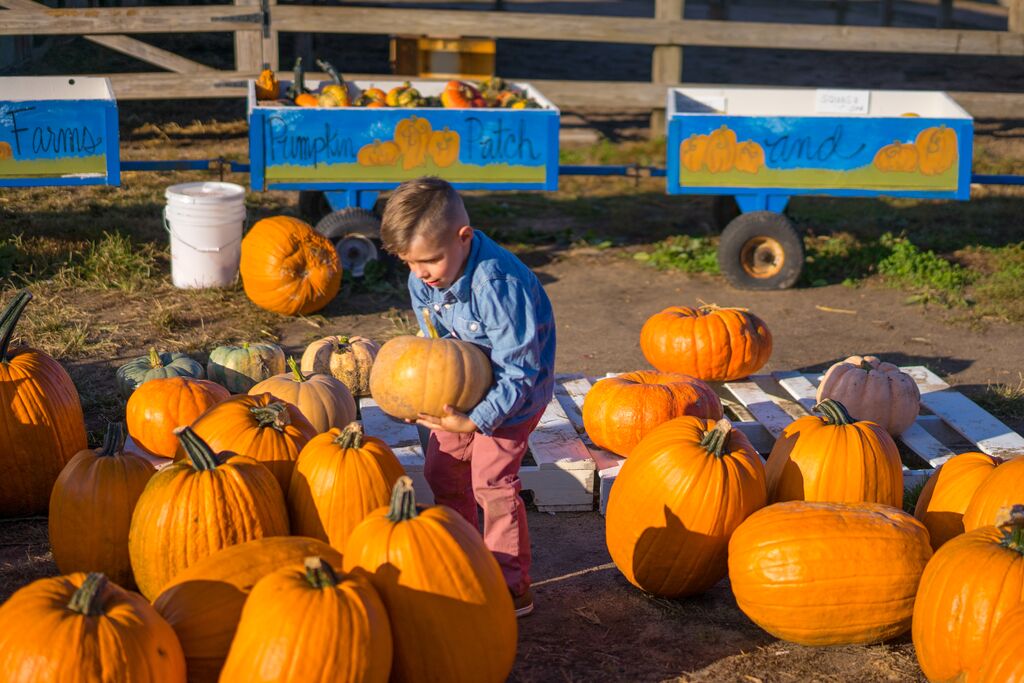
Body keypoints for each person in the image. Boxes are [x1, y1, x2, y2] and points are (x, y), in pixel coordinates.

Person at [380, 176, 556, 618]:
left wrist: (477, 421)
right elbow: (436, 349)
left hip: (513, 398)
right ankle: (463, 555)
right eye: (409, 263)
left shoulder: (497, 285)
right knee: (444, 471)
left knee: (491, 484)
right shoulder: (423, 277)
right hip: (464, 391)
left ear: (463, 238)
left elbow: (520, 369)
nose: (420, 273)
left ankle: (510, 585)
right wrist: (415, 392)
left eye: (430, 261)